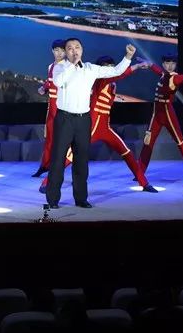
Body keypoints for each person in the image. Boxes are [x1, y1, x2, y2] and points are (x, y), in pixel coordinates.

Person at [39, 56, 158, 193]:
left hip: (105, 128)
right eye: (108, 67)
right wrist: (136, 66)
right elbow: (119, 74)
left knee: (127, 152)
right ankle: (46, 182)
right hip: (92, 127)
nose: (111, 69)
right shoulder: (102, 80)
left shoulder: (112, 85)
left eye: (112, 67)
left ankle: (144, 183)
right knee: (69, 157)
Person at [44, 39, 137, 209]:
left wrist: (128, 57)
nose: (74, 51)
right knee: (58, 159)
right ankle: (53, 199)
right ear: (66, 52)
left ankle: (81, 199)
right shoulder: (60, 68)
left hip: (83, 119)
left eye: (77, 47)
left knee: (81, 160)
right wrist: (72, 65)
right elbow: (58, 82)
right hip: (64, 119)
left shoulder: (90, 69)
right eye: (70, 48)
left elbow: (116, 71)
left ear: (82, 50)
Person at [138, 54, 183, 173]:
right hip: (157, 113)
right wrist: (149, 64)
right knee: (148, 141)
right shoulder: (164, 74)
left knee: (180, 141)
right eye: (167, 63)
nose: (170, 66)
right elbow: (158, 70)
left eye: (173, 63)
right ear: (163, 64)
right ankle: (140, 172)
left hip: (167, 113)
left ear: (176, 65)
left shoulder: (174, 77)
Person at [32, 39, 66, 178]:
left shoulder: (68, 67)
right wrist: (44, 88)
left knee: (63, 140)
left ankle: (60, 168)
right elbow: (50, 81)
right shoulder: (51, 66)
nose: (59, 53)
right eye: (57, 50)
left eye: (62, 50)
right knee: (49, 139)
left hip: (63, 107)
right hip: (51, 108)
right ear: (52, 51)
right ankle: (45, 165)